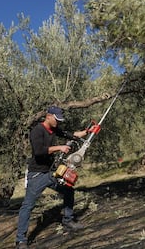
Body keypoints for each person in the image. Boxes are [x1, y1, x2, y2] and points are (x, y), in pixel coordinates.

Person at [15, 106, 89, 249]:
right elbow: (39, 151)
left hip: (50, 173)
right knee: (27, 206)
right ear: (48, 116)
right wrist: (59, 148)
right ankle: (21, 241)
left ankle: (68, 220)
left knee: (68, 190)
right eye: (56, 120)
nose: (58, 123)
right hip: (36, 175)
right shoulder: (37, 131)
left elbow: (70, 135)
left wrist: (87, 132)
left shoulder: (54, 129)